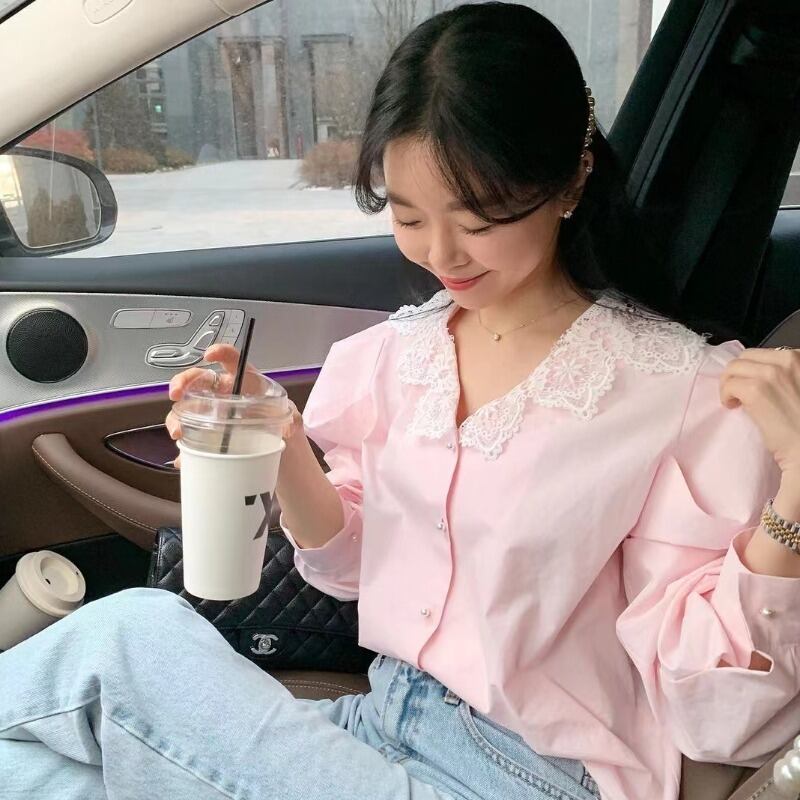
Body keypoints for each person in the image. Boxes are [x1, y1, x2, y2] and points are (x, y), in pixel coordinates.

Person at [2, 4, 800, 800]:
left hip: (531, 777)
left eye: (479, 220)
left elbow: (719, 716)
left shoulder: (677, 390)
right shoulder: (397, 356)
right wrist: (279, 441)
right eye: (408, 215)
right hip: (380, 726)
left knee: (128, 642)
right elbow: (353, 570)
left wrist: (794, 493)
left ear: (571, 180)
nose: (440, 253)